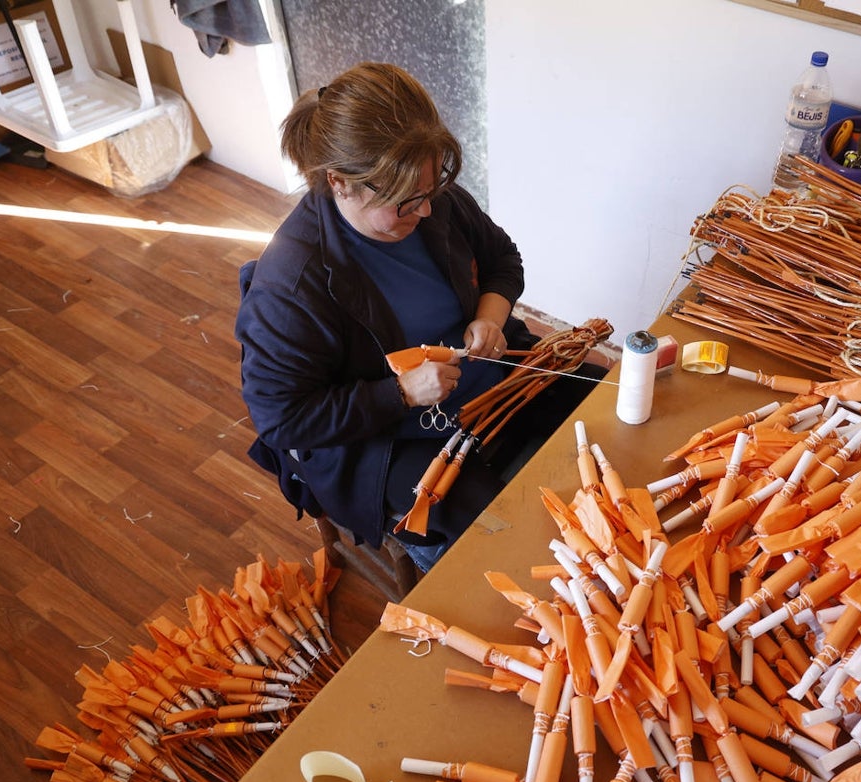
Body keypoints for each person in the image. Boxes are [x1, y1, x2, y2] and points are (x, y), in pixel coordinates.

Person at [236, 62, 601, 573]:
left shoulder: (434, 202)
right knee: (503, 542)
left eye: (429, 193)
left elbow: (501, 259)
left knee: (606, 401)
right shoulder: (291, 286)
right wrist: (400, 393)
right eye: (407, 203)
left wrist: (490, 317)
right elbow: (282, 419)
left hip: (489, 385)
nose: (427, 212)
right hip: (388, 441)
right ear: (340, 184)